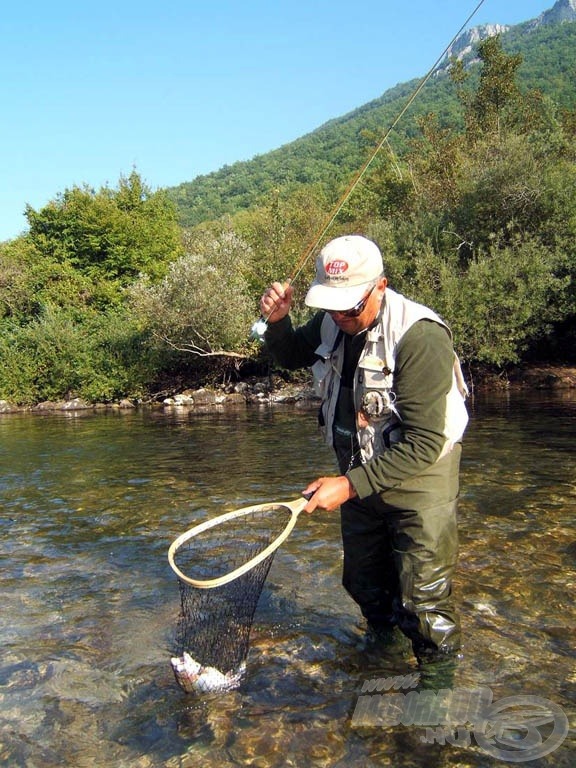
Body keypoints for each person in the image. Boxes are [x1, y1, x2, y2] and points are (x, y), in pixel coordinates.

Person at [260, 234, 469, 663]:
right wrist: (279, 322)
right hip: (357, 470)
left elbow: (426, 442)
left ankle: (437, 689)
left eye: (351, 305)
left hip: (420, 478)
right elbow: (292, 354)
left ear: (381, 286)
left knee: (425, 602)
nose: (340, 315)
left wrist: (349, 487)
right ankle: (382, 653)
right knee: (364, 583)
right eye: (331, 305)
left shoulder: (420, 336)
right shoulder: (333, 320)